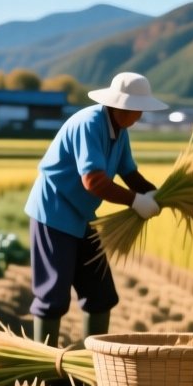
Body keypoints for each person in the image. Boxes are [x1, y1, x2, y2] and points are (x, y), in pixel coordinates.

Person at [24, 72, 169, 346]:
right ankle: (42, 366)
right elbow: (93, 181)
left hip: (81, 217)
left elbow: (129, 173)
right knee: (52, 295)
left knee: (100, 293)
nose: (139, 116)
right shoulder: (90, 123)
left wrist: (157, 194)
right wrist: (136, 202)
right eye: (136, 109)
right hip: (53, 213)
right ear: (120, 105)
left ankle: (93, 362)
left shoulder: (119, 132)